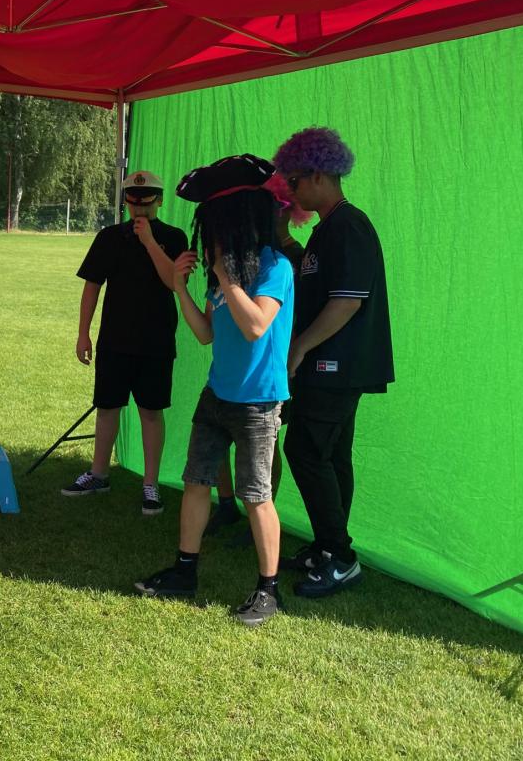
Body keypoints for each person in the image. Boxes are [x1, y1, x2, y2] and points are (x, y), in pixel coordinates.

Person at [134, 155, 293, 627]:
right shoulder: (221, 272)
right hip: (216, 395)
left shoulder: (275, 267)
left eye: (218, 230)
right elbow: (205, 333)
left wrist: (225, 275)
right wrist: (180, 287)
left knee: (255, 495)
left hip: (258, 402)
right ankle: (185, 572)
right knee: (196, 480)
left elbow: (256, 326)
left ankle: (269, 590)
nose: (211, 241)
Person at [273, 127, 393, 598]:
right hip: (332, 367)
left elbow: (347, 301)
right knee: (332, 454)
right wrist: (284, 240)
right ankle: (328, 547)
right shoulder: (328, 228)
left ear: (319, 175)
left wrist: (300, 347)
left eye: (295, 182)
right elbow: (314, 275)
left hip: (336, 366)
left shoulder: (349, 226)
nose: (291, 193)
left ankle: (341, 558)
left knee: (305, 451)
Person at [63, 170, 189, 515]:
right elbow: (92, 285)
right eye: (133, 203)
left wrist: (149, 242)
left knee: (151, 412)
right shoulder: (109, 237)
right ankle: (98, 474)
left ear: (159, 201)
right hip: (114, 341)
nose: (139, 210)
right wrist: (83, 332)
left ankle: (150, 484)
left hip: (156, 343)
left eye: (145, 203)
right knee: (107, 408)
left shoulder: (174, 238)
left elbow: (173, 282)